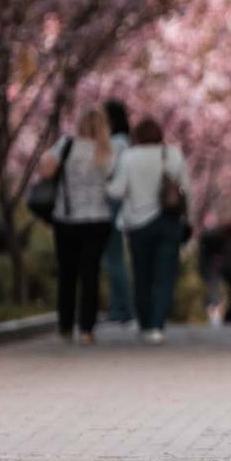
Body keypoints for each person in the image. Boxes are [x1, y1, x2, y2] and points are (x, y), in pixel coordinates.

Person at [107, 116, 191, 344]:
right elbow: (186, 189)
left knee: (142, 275)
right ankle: (157, 325)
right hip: (169, 222)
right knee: (165, 276)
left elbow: (116, 191)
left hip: (138, 224)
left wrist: (104, 183)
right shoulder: (173, 154)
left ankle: (145, 323)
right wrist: (188, 218)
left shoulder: (129, 157)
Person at [36, 108, 117, 344]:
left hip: (66, 219)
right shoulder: (108, 151)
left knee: (67, 273)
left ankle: (65, 326)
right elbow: (114, 184)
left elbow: (45, 171)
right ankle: (87, 329)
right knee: (91, 274)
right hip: (98, 218)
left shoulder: (66, 145)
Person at [100, 99, 134, 324]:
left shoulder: (117, 143)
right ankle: (119, 307)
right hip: (118, 202)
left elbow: (107, 169)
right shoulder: (125, 142)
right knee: (114, 258)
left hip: (112, 202)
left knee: (113, 258)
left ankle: (122, 309)